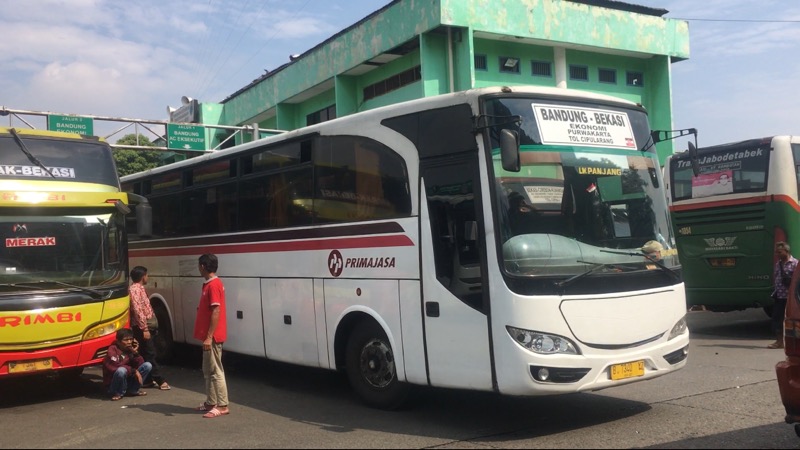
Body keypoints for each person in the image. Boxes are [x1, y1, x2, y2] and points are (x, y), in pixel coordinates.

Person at [193, 254, 230, 418]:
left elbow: (216, 310)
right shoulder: (210, 284)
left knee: (215, 370)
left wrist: (209, 336)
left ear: (202, 266)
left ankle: (222, 405)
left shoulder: (213, 285)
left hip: (212, 337)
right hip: (208, 336)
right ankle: (211, 401)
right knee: (207, 369)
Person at [129, 266, 170, 390]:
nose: (148, 277)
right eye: (147, 275)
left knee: (144, 353)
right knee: (150, 352)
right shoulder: (135, 290)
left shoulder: (139, 288)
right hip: (142, 327)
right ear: (143, 277)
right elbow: (137, 310)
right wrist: (144, 328)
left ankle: (147, 379)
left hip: (144, 325)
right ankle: (159, 379)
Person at [103, 328, 152, 401]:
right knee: (121, 370)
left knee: (148, 365)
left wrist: (135, 353)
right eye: (126, 340)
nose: (129, 342)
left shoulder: (130, 349)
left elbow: (140, 364)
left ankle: (133, 390)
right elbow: (114, 366)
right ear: (119, 341)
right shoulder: (112, 350)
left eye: (131, 339)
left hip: (127, 380)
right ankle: (118, 392)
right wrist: (133, 371)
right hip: (113, 384)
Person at [769, 241, 798, 349]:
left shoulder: (795, 263)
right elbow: (775, 277)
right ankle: (779, 342)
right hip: (779, 297)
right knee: (777, 319)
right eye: (776, 252)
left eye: (779, 252)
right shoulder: (778, 264)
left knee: (793, 321)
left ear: (786, 251)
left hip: (791, 298)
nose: (778, 254)